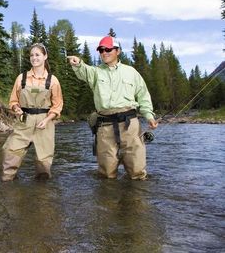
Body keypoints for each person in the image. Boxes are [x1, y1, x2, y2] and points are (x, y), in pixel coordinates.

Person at [68, 35, 158, 180]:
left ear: (118, 51)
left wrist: (149, 116)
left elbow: (143, 95)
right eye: (101, 50)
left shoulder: (131, 72)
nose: (104, 52)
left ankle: (137, 201)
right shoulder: (95, 72)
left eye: (108, 49)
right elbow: (83, 71)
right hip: (105, 126)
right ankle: (107, 202)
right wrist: (77, 63)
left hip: (130, 125)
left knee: (137, 172)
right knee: (106, 174)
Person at [2, 43, 63, 181]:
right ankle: (8, 185)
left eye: (37, 55)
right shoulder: (21, 78)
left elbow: (57, 106)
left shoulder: (53, 80)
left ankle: (42, 195)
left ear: (45, 56)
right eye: (32, 55)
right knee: (10, 152)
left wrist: (47, 120)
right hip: (24, 120)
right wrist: (16, 109)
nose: (34, 58)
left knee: (43, 164)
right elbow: (13, 101)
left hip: (45, 122)